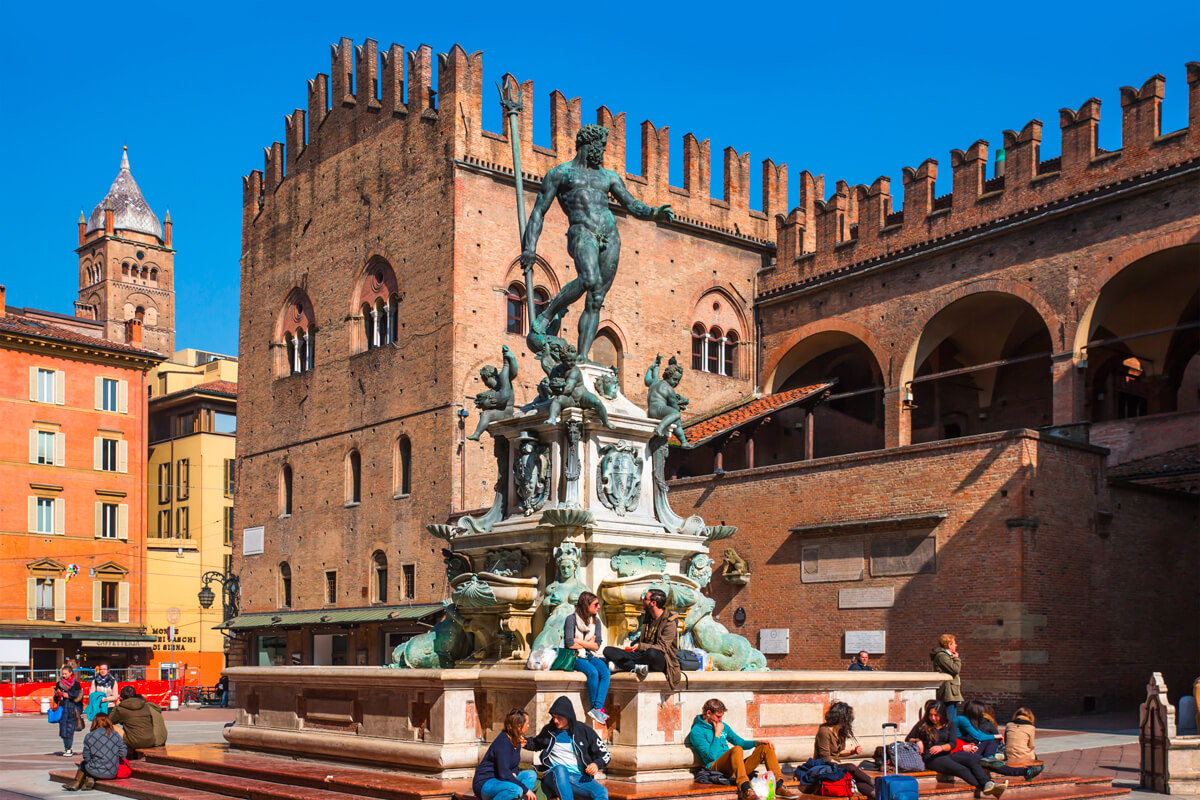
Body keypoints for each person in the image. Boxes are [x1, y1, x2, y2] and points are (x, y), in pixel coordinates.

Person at [519, 123, 673, 360]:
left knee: (596, 298)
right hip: (582, 232)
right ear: (587, 146)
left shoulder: (609, 177)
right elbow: (539, 212)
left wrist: (653, 213)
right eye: (600, 147)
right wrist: (530, 248)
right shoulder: (559, 174)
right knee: (589, 280)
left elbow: (631, 205)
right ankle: (548, 315)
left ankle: (582, 357)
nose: (602, 152)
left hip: (610, 236)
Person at [687, 698, 800, 800]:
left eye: (722, 716)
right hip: (716, 767)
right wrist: (717, 734)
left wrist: (757, 742)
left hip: (735, 767)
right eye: (718, 716)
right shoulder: (697, 731)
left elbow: (739, 742)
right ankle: (746, 789)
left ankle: (779, 786)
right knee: (737, 750)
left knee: (766, 747)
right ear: (708, 713)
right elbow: (710, 756)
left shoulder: (722, 725)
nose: (720, 719)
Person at [906, 700, 1005, 798]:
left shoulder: (950, 724)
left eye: (936, 715)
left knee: (972, 760)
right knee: (961, 769)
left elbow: (952, 744)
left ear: (942, 714)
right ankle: (986, 788)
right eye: (930, 715)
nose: (933, 718)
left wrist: (941, 747)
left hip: (947, 753)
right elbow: (908, 738)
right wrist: (918, 741)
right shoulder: (923, 724)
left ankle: (988, 783)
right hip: (931, 758)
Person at [524, 696, 611, 800]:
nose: (555, 720)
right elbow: (535, 743)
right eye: (554, 717)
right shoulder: (549, 731)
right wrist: (522, 741)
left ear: (568, 716)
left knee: (601, 792)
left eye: (559, 718)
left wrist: (596, 764)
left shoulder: (584, 731)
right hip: (553, 775)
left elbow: (605, 754)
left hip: (578, 778)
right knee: (561, 769)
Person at [601, 589, 680, 690]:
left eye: (645, 598)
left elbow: (662, 647)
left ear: (653, 603)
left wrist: (641, 646)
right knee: (608, 650)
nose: (642, 600)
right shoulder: (649, 616)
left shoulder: (669, 622)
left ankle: (626, 665)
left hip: (661, 659)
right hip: (642, 656)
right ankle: (634, 666)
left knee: (652, 653)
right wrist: (635, 643)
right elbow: (645, 638)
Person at [954, 700, 1042, 781]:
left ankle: (990, 758)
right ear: (975, 711)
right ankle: (1025, 772)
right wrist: (996, 736)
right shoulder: (962, 719)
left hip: (965, 749)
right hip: (958, 752)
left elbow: (982, 735)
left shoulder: (968, 720)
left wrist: (994, 737)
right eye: (981, 712)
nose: (983, 714)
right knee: (986, 759)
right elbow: (979, 736)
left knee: (990, 742)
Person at [813, 702, 875, 800]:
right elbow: (825, 758)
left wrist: (852, 752)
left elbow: (838, 753)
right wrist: (847, 768)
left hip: (835, 766)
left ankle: (876, 794)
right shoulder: (824, 731)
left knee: (858, 780)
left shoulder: (840, 731)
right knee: (851, 768)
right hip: (823, 767)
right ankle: (875, 783)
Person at [473, 708, 538, 800]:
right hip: (486, 782)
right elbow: (503, 773)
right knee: (516, 790)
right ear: (519, 726)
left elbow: (514, 766)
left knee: (531, 774)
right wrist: (526, 790)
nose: (528, 725)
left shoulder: (516, 740)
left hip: (502, 780)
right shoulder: (503, 743)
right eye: (527, 723)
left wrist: (514, 773)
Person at [565, 592, 610, 724]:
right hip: (575, 656)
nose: (599, 607)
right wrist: (588, 642)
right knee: (593, 672)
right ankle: (594, 707)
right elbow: (569, 644)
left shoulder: (596, 621)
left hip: (589, 655)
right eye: (595, 604)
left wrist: (581, 642)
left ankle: (597, 707)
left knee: (605, 672)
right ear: (586, 605)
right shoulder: (571, 619)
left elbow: (597, 646)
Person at [63, 712, 127, 791]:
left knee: (83, 764)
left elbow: (86, 757)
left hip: (95, 770)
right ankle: (87, 779)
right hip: (112, 772)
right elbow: (123, 753)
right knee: (90, 766)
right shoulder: (115, 734)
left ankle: (79, 782)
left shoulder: (89, 736)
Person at [109, 685, 168, 757]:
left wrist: (117, 706)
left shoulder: (121, 709)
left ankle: (116, 753)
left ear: (121, 697)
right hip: (150, 740)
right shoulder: (145, 706)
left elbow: (110, 720)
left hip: (134, 742)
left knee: (112, 726)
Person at [931, 634, 962, 724]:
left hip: (952, 690)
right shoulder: (942, 656)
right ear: (949, 644)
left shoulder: (947, 656)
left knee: (952, 717)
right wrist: (956, 659)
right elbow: (955, 669)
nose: (956, 645)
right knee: (949, 718)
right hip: (948, 690)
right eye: (954, 643)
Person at [54, 665, 83, 757]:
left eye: (65, 673)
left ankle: (68, 748)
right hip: (63, 709)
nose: (63, 675)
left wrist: (69, 695)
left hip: (72, 709)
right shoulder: (59, 684)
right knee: (63, 729)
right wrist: (58, 695)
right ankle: (67, 747)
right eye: (62, 674)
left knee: (70, 729)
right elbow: (55, 698)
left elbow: (79, 697)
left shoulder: (76, 684)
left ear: (71, 673)